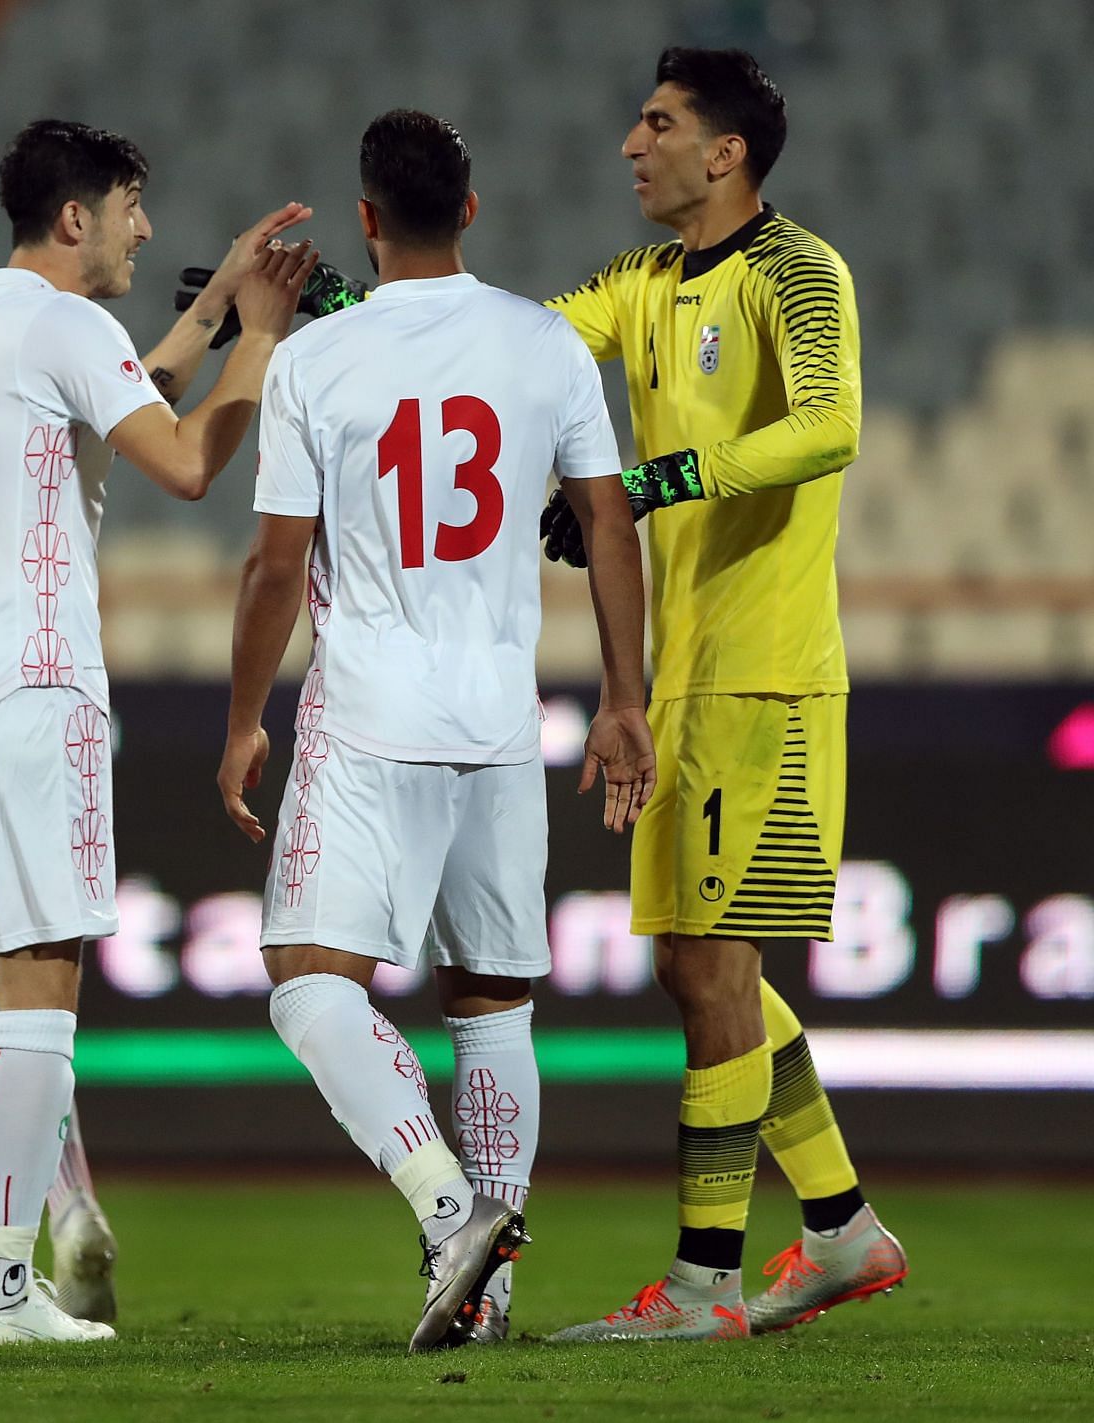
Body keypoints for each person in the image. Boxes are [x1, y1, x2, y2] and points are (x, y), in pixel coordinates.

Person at [219, 109, 654, 1353]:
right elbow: (608, 527)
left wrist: (246, 717)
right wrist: (623, 701)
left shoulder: (317, 360)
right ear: (470, 208)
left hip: (367, 717)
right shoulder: (545, 343)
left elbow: (272, 566)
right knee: (494, 1004)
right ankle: (494, 1287)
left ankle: (449, 1205)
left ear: (364, 218)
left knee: (310, 989)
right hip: (499, 720)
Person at [0, 118, 316, 1345]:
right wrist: (265, 346)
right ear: (75, 217)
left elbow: (124, 401)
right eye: (132, 205)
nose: (144, 228)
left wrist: (221, 311)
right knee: (40, 995)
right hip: (35, 689)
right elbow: (183, 462)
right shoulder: (68, 327)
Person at [532, 47, 908, 1341]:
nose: (632, 144)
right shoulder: (639, 285)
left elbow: (831, 424)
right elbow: (519, 346)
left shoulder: (798, 270)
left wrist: (648, 482)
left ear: (725, 152)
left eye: (659, 123)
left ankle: (703, 1286)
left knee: (709, 964)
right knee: (706, 964)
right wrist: (359, 306)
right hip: (684, 679)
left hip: (765, 669)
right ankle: (842, 1226)